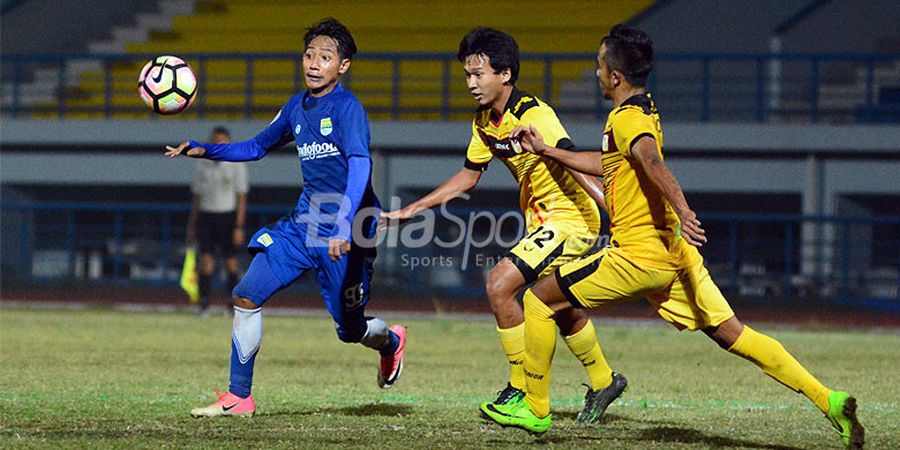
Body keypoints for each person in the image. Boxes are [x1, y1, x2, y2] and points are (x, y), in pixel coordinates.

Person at [481, 24, 865, 449]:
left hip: (637, 257)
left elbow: (650, 159)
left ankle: (534, 408)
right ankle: (828, 400)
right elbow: (613, 160)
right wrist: (547, 150)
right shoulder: (643, 110)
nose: (595, 73)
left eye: (598, 66)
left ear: (615, 77)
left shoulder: (628, 120)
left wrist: (683, 209)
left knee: (537, 300)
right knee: (734, 334)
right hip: (676, 257)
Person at [165, 18, 407, 418]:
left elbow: (362, 168)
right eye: (309, 54)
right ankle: (239, 397)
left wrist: (346, 224)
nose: (314, 63)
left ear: (342, 66)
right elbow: (257, 147)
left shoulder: (348, 109)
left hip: (347, 232)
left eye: (325, 57)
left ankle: (391, 342)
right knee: (245, 294)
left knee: (350, 331)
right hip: (302, 226)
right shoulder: (297, 106)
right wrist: (205, 150)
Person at [382, 27, 622, 423]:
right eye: (467, 75)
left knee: (499, 283)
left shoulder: (533, 113)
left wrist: (615, 213)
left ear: (505, 74)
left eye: (479, 74)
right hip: (543, 221)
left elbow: (573, 161)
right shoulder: (483, 122)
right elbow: (468, 176)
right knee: (557, 305)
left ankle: (520, 390)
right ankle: (603, 378)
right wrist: (412, 210)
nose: (471, 83)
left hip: (572, 218)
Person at [186, 126, 249, 316]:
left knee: (230, 262)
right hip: (206, 216)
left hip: (227, 217)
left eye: (223, 142)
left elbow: (241, 197)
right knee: (206, 261)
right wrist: (192, 224)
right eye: (215, 141)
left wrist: (239, 226)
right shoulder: (202, 164)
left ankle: (231, 304)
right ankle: (204, 304)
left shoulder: (237, 164)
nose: (219, 145)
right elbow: (196, 197)